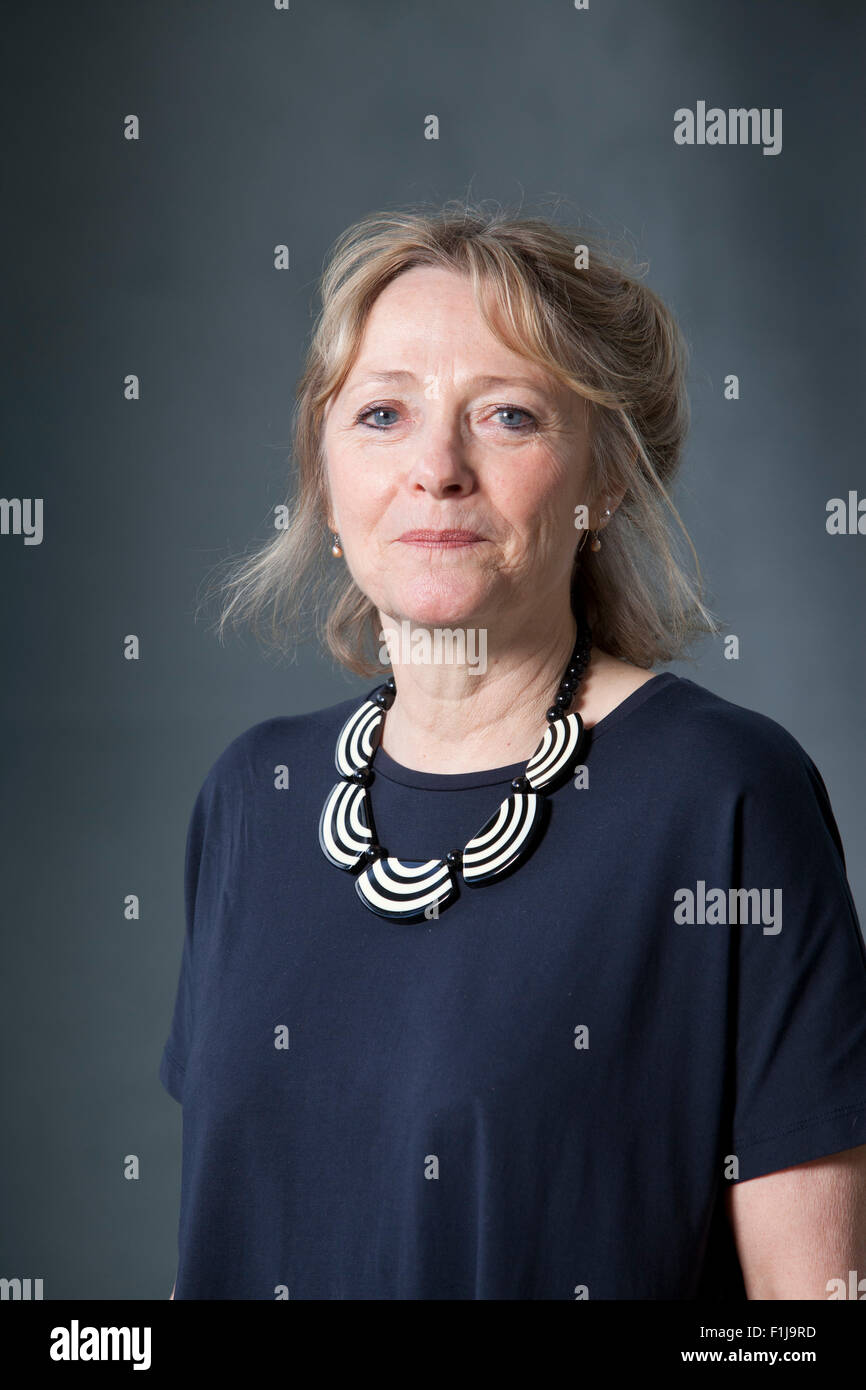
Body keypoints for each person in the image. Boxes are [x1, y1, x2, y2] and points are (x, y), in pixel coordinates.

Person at [160, 201, 866, 1300]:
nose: (436, 468)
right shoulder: (252, 798)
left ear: (603, 479)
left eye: (506, 416)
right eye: (382, 415)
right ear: (325, 478)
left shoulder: (724, 799)